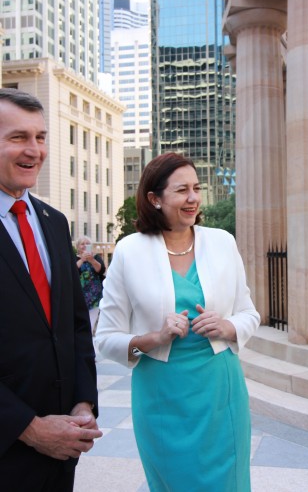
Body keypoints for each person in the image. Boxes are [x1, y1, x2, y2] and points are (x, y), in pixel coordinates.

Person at [95, 152, 260, 491]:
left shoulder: (222, 242)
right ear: (154, 199)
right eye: (182, 190)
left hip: (220, 392)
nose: (193, 198)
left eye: (196, 188)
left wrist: (228, 327)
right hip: (160, 396)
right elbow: (105, 337)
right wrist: (154, 337)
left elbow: (249, 313)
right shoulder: (129, 251)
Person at [0, 88, 102, 491]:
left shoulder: (54, 222)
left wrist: (83, 403)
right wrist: (29, 428)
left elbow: (75, 326)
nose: (35, 150)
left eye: (40, 137)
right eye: (18, 137)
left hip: (61, 452)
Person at [76, 236, 106, 333]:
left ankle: (89, 342)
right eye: (82, 244)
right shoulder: (74, 258)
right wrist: (82, 260)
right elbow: (71, 271)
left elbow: (101, 270)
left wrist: (92, 260)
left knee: (91, 322)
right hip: (79, 296)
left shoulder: (96, 257)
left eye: (87, 243)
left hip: (94, 296)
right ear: (78, 246)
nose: (85, 246)